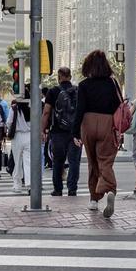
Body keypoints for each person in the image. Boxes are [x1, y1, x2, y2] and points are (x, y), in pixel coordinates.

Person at [72, 50, 123, 217]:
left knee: (92, 161)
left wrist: (75, 132)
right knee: (105, 161)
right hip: (108, 123)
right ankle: (109, 190)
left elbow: (79, 110)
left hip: (88, 122)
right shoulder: (112, 83)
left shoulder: (84, 85)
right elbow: (119, 106)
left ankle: (94, 200)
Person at [41, 67, 82, 197]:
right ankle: (72, 189)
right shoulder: (78, 90)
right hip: (76, 132)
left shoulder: (53, 91)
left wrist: (42, 130)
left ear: (59, 77)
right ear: (70, 77)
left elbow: (46, 112)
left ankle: (58, 189)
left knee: (57, 161)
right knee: (74, 161)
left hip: (58, 132)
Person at [9, 85, 32, 194]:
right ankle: (29, 184)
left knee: (17, 161)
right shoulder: (32, 107)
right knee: (28, 161)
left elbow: (9, 122)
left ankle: (17, 185)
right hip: (30, 135)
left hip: (17, 136)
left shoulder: (14, 108)